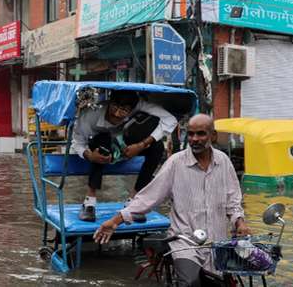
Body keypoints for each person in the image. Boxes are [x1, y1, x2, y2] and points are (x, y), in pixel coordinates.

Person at [94, 114, 252, 287]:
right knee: (190, 283)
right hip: (185, 243)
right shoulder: (175, 163)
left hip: (217, 243)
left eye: (201, 134)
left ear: (212, 136)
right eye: (191, 134)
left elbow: (233, 201)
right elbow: (148, 198)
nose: (194, 139)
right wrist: (116, 221)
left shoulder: (224, 162)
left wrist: (240, 223)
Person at [72, 90, 177, 223]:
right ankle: (89, 201)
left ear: (132, 109)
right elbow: (77, 143)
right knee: (101, 143)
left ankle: (134, 201)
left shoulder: (139, 105)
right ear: (110, 103)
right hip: (103, 149)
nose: (116, 114)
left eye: (123, 110)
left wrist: (142, 145)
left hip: (127, 144)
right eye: (114, 107)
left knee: (157, 147)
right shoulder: (90, 116)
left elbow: (170, 120)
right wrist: (90, 156)